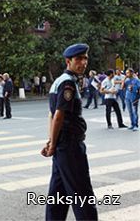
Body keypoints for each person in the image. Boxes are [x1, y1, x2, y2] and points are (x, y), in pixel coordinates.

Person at [41, 43, 98, 220]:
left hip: (62, 144)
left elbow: (51, 114)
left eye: (85, 58)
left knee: (58, 195)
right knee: (82, 194)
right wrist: (52, 143)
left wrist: (51, 141)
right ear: (68, 61)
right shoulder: (68, 84)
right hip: (70, 145)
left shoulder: (58, 81)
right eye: (79, 59)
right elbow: (58, 115)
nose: (83, 62)